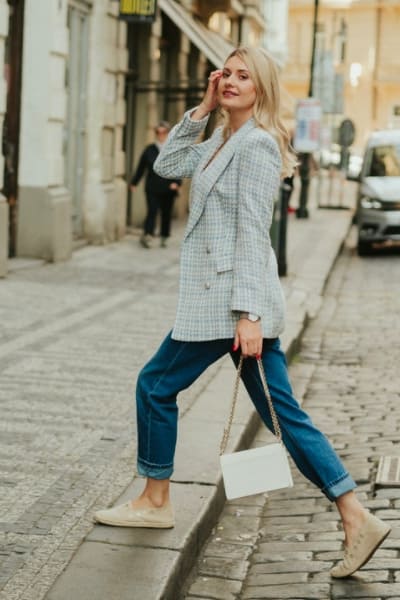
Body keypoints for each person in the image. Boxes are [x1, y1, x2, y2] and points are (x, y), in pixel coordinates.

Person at [95, 47, 390, 578]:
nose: (230, 81)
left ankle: (156, 499)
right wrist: (202, 108)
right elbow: (165, 165)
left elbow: (253, 234)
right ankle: (354, 513)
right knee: (285, 416)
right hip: (228, 305)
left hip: (227, 307)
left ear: (263, 87)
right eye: (225, 73)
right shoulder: (220, 139)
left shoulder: (255, 146)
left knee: (155, 385)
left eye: (242, 76)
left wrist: (249, 313)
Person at [130, 121, 181, 248]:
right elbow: (141, 168)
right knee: (152, 211)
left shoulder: (173, 150)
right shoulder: (149, 150)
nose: (161, 135)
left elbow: (179, 167)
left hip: (169, 188)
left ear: (168, 133)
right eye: (158, 132)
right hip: (152, 187)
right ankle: (148, 235)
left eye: (164, 132)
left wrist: (177, 183)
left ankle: (164, 236)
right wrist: (134, 183)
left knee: (166, 213)